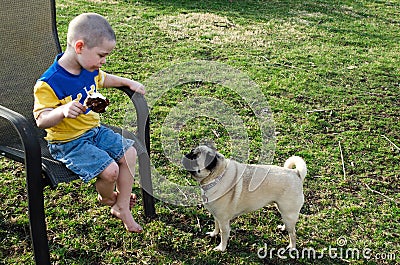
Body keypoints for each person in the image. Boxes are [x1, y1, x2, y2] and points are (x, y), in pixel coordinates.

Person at [33, 13, 145, 233]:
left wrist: (128, 82)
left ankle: (122, 207)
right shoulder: (49, 83)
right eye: (102, 55)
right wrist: (62, 111)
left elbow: (104, 78)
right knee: (111, 171)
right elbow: (41, 120)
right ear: (80, 46)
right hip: (68, 143)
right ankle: (107, 198)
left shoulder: (89, 68)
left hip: (95, 131)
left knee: (130, 153)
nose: (103, 61)